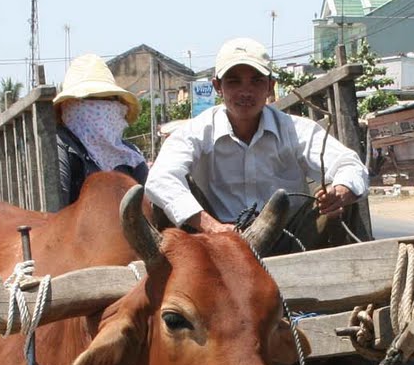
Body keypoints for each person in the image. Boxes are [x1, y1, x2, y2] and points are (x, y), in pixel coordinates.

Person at [145, 37, 366, 242]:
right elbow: (160, 179)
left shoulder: (296, 129)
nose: (245, 92)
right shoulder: (196, 131)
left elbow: (349, 164)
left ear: (270, 87)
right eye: (234, 82)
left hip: (291, 239)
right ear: (217, 87)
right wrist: (213, 227)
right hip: (218, 242)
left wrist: (340, 191)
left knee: (342, 207)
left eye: (256, 81)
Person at [52, 53, 148, 208]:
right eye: (89, 99)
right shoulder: (61, 146)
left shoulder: (131, 157)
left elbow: (149, 208)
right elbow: (56, 210)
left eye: (106, 100)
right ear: (70, 106)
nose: (98, 107)